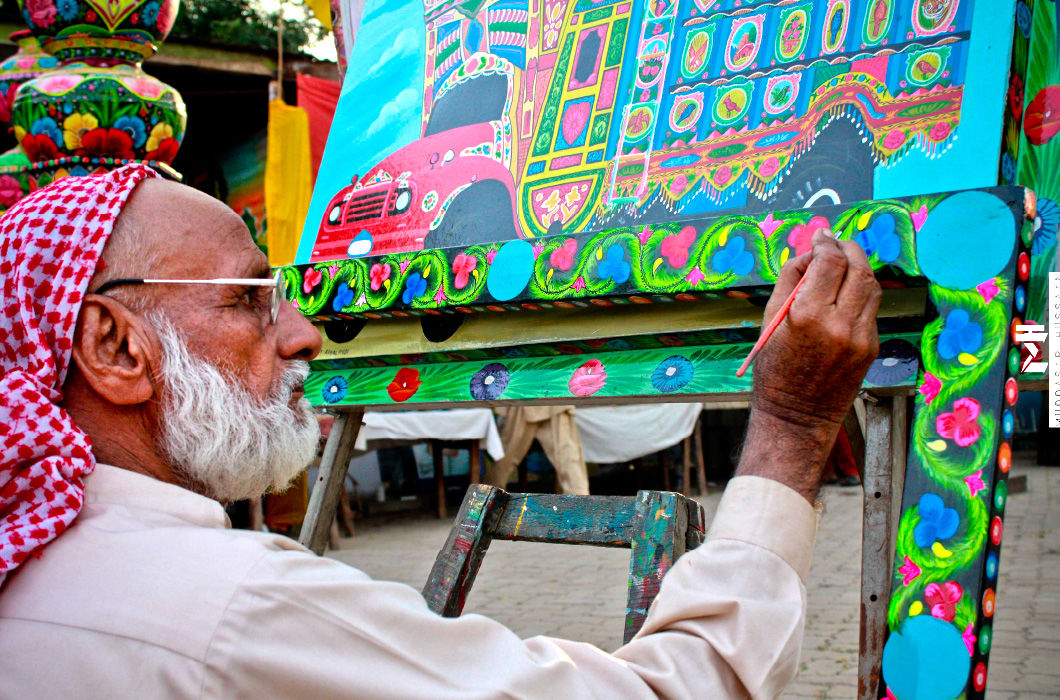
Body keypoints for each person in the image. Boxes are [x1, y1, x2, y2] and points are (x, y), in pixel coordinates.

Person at [0, 165, 881, 698]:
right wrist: (794, 425)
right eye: (247, 301)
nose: (303, 333)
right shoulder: (235, 608)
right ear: (116, 348)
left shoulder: (39, 576)